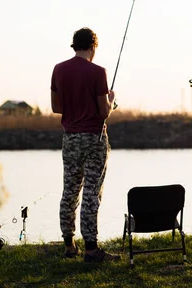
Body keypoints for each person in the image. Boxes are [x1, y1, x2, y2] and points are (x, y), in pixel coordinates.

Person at [50, 27, 120, 262]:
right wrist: (111, 100)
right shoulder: (98, 72)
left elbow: (56, 107)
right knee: (91, 191)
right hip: (94, 138)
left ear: (74, 45)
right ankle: (91, 248)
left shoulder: (59, 70)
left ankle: (69, 244)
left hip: (70, 138)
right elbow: (103, 113)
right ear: (93, 47)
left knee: (70, 190)